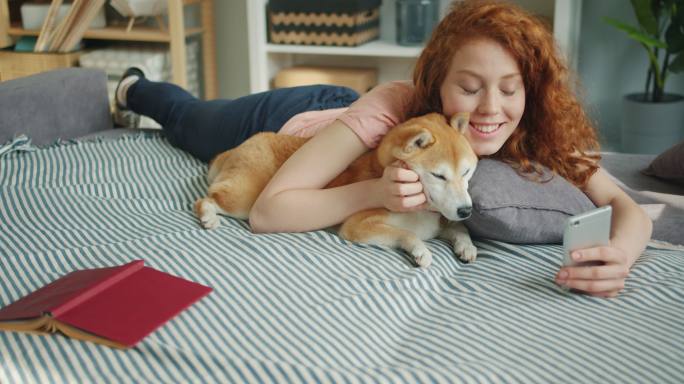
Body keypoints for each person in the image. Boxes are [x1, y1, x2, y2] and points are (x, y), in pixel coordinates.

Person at [114, 0, 651, 298]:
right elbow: (268, 212)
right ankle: (131, 86)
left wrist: (621, 255)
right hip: (294, 123)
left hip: (346, 121)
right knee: (191, 121)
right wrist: (375, 190)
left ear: (529, 91)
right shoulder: (394, 106)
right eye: (469, 87)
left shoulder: (537, 129)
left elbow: (628, 207)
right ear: (439, 84)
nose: (490, 108)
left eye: (509, 88)